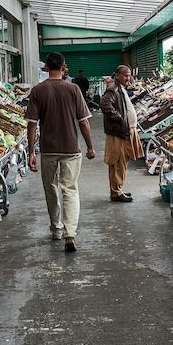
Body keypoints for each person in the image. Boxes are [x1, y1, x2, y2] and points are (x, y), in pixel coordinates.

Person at [25, 52, 95, 252]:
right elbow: (84, 122)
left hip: (47, 150)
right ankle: (70, 233)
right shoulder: (73, 89)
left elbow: (32, 125)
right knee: (70, 190)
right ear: (64, 67)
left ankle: (56, 229)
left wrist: (31, 152)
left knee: (51, 189)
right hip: (71, 149)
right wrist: (89, 146)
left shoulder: (38, 90)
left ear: (46, 67)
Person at [101, 65, 143, 202]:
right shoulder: (113, 89)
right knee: (117, 162)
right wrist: (119, 119)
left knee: (123, 161)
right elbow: (105, 105)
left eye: (129, 75)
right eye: (125, 75)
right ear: (118, 75)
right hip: (118, 132)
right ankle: (116, 193)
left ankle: (118, 189)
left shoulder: (120, 88)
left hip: (124, 130)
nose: (128, 77)